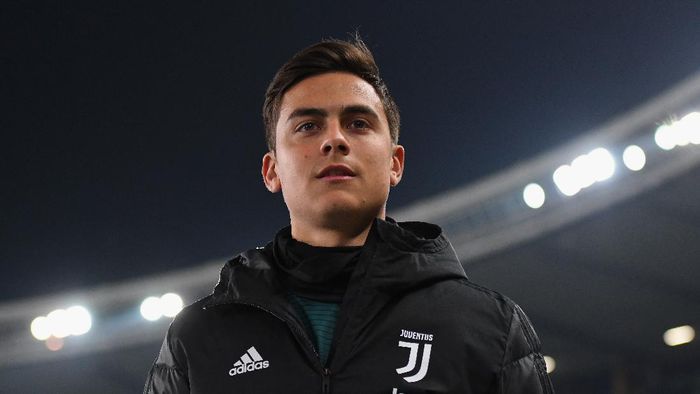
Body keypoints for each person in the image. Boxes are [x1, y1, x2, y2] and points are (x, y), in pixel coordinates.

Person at [144, 36, 555, 394]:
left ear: (395, 163)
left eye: (358, 123)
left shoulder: (487, 328)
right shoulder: (198, 337)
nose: (335, 140)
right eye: (308, 126)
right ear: (272, 171)